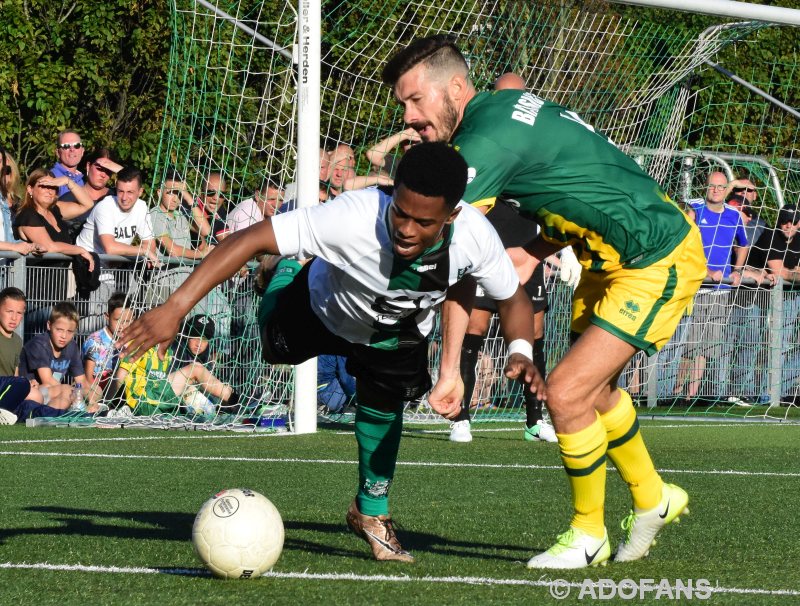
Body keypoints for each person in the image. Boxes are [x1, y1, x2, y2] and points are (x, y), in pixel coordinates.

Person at [119, 142, 542, 563]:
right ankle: (286, 269)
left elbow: (514, 300)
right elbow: (252, 237)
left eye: (423, 221)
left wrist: (520, 350)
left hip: (396, 332)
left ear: (452, 215)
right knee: (273, 348)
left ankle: (371, 513)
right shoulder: (353, 214)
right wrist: (175, 307)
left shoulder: (475, 236)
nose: (407, 229)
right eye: (400, 212)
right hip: (322, 308)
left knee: (384, 402)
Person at [383, 35, 706, 568]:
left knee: (565, 393)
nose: (411, 117)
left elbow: (457, 263)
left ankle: (588, 535)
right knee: (596, 395)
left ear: (456, 88)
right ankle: (655, 498)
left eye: (416, 101)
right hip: (609, 258)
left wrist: (449, 369)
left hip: (654, 255)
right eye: (404, 106)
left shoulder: (481, 147)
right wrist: (535, 250)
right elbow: (573, 174)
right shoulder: (502, 107)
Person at [673, 172, 751, 401]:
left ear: (726, 189)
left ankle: (691, 395)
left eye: (720, 187)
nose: (716, 190)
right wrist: (707, 272)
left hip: (721, 291)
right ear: (706, 187)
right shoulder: (694, 210)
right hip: (695, 287)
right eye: (712, 186)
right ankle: (676, 393)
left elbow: (743, 245)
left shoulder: (733, 215)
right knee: (689, 345)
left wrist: (736, 271)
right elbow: (684, 247)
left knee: (708, 347)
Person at [745, 206, 800, 397]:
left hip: (788, 297)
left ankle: (773, 392)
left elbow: (788, 274)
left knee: (782, 345)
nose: (788, 225)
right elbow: (780, 272)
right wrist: (793, 273)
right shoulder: (770, 236)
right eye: (784, 221)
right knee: (751, 344)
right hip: (753, 296)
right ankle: (744, 392)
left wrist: (791, 274)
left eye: (792, 222)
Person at [18, 302, 98, 412]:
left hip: (54, 392)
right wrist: (76, 394)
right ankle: (44, 415)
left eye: (69, 331)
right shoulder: (39, 344)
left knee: (95, 390)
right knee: (67, 391)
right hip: (30, 393)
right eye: (59, 330)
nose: (64, 336)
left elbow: (82, 382)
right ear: (49, 325)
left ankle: (62, 413)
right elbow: (48, 380)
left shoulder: (72, 346)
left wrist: (92, 402)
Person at [75, 166, 159, 266]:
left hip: (109, 268)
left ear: (140, 192)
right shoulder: (105, 207)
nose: (124, 198)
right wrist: (144, 251)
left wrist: (147, 252)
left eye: (130, 192)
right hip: (84, 264)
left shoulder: (142, 207)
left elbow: (150, 244)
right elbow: (110, 248)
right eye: (120, 191)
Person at [0, 287, 47, 424]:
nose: (14, 318)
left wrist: (27, 383)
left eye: (19, 313)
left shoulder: (17, 340)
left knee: (36, 399)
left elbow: (15, 376)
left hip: (9, 388)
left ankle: (91, 415)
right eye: (9, 311)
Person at [58, 147, 124, 241]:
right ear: (88, 166)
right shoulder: (68, 198)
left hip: (110, 254)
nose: (103, 175)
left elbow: (134, 184)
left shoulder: (117, 197)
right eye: (99, 169)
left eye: (108, 171)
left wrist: (121, 170)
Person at [82, 292, 135, 401]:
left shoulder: (133, 341)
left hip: (125, 390)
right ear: (107, 316)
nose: (122, 326)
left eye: (126, 321)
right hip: (97, 391)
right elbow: (88, 379)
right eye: (117, 320)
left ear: (133, 319)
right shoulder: (95, 341)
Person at [150, 173, 211, 261]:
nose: (175, 199)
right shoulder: (155, 215)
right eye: (170, 193)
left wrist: (188, 198)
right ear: (159, 193)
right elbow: (172, 250)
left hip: (187, 273)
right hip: (167, 273)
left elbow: (206, 230)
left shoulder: (181, 214)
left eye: (179, 193)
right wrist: (201, 254)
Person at [0, 149, 38, 257]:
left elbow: (9, 238)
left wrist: (32, 246)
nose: (3, 175)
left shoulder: (19, 202)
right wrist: (14, 247)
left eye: (7, 171)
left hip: (7, 268)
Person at [50, 129, 85, 196]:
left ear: (82, 151)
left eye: (77, 145)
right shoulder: (51, 177)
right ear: (58, 153)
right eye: (66, 146)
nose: (72, 149)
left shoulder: (81, 180)